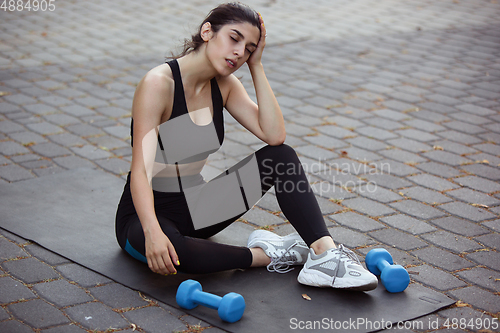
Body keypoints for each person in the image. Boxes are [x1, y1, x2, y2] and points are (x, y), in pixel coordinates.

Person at [115, 2, 377, 291]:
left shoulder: (224, 86)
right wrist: (152, 231)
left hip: (197, 208)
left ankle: (324, 254)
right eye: (234, 38)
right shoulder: (158, 84)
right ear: (207, 32)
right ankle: (271, 254)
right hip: (143, 215)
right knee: (177, 255)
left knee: (281, 157)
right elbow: (139, 171)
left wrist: (257, 66)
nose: (240, 52)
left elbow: (274, 136)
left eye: (249, 48)